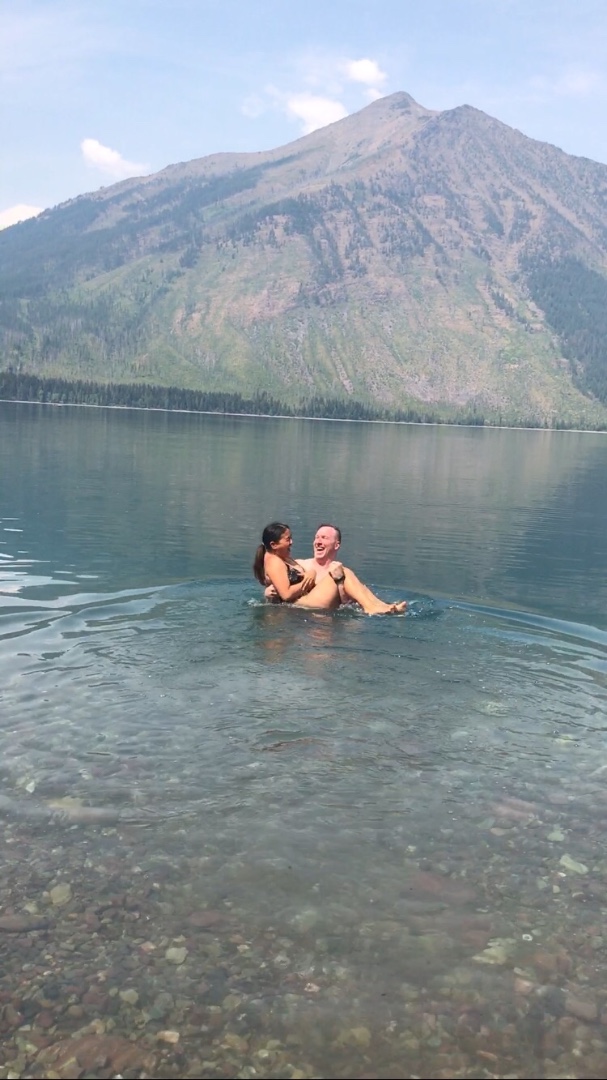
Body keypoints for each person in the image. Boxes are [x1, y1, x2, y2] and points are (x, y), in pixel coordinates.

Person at [254, 522, 406, 614]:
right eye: (288, 539)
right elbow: (285, 593)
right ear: (274, 545)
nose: (292, 542)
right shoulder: (277, 561)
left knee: (343, 571)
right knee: (341, 571)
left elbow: (279, 580)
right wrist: (310, 576)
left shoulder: (284, 560)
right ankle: (371, 607)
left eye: (324, 538)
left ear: (336, 545)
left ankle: (382, 606)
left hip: (318, 607)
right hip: (302, 606)